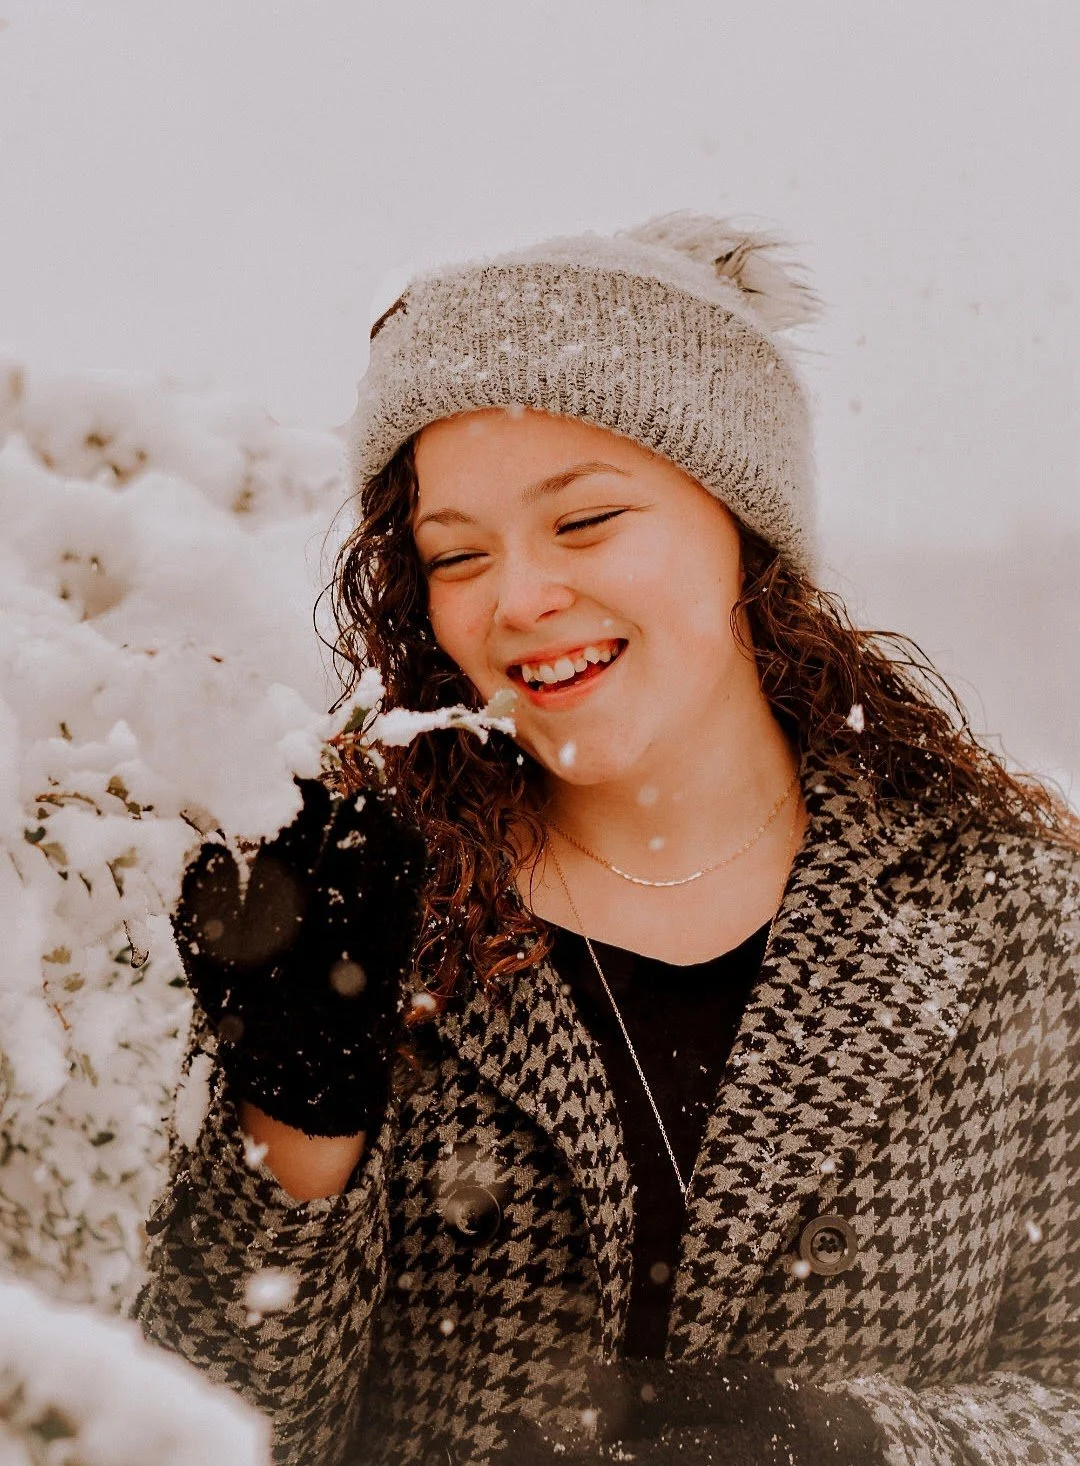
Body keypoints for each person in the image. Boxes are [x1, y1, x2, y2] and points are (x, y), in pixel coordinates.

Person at [135, 214, 1080, 1466]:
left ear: (741, 524)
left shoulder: (1014, 913)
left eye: (584, 522)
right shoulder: (363, 905)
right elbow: (200, 1434)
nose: (518, 597)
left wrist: (847, 1441)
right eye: (456, 553)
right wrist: (299, 1119)